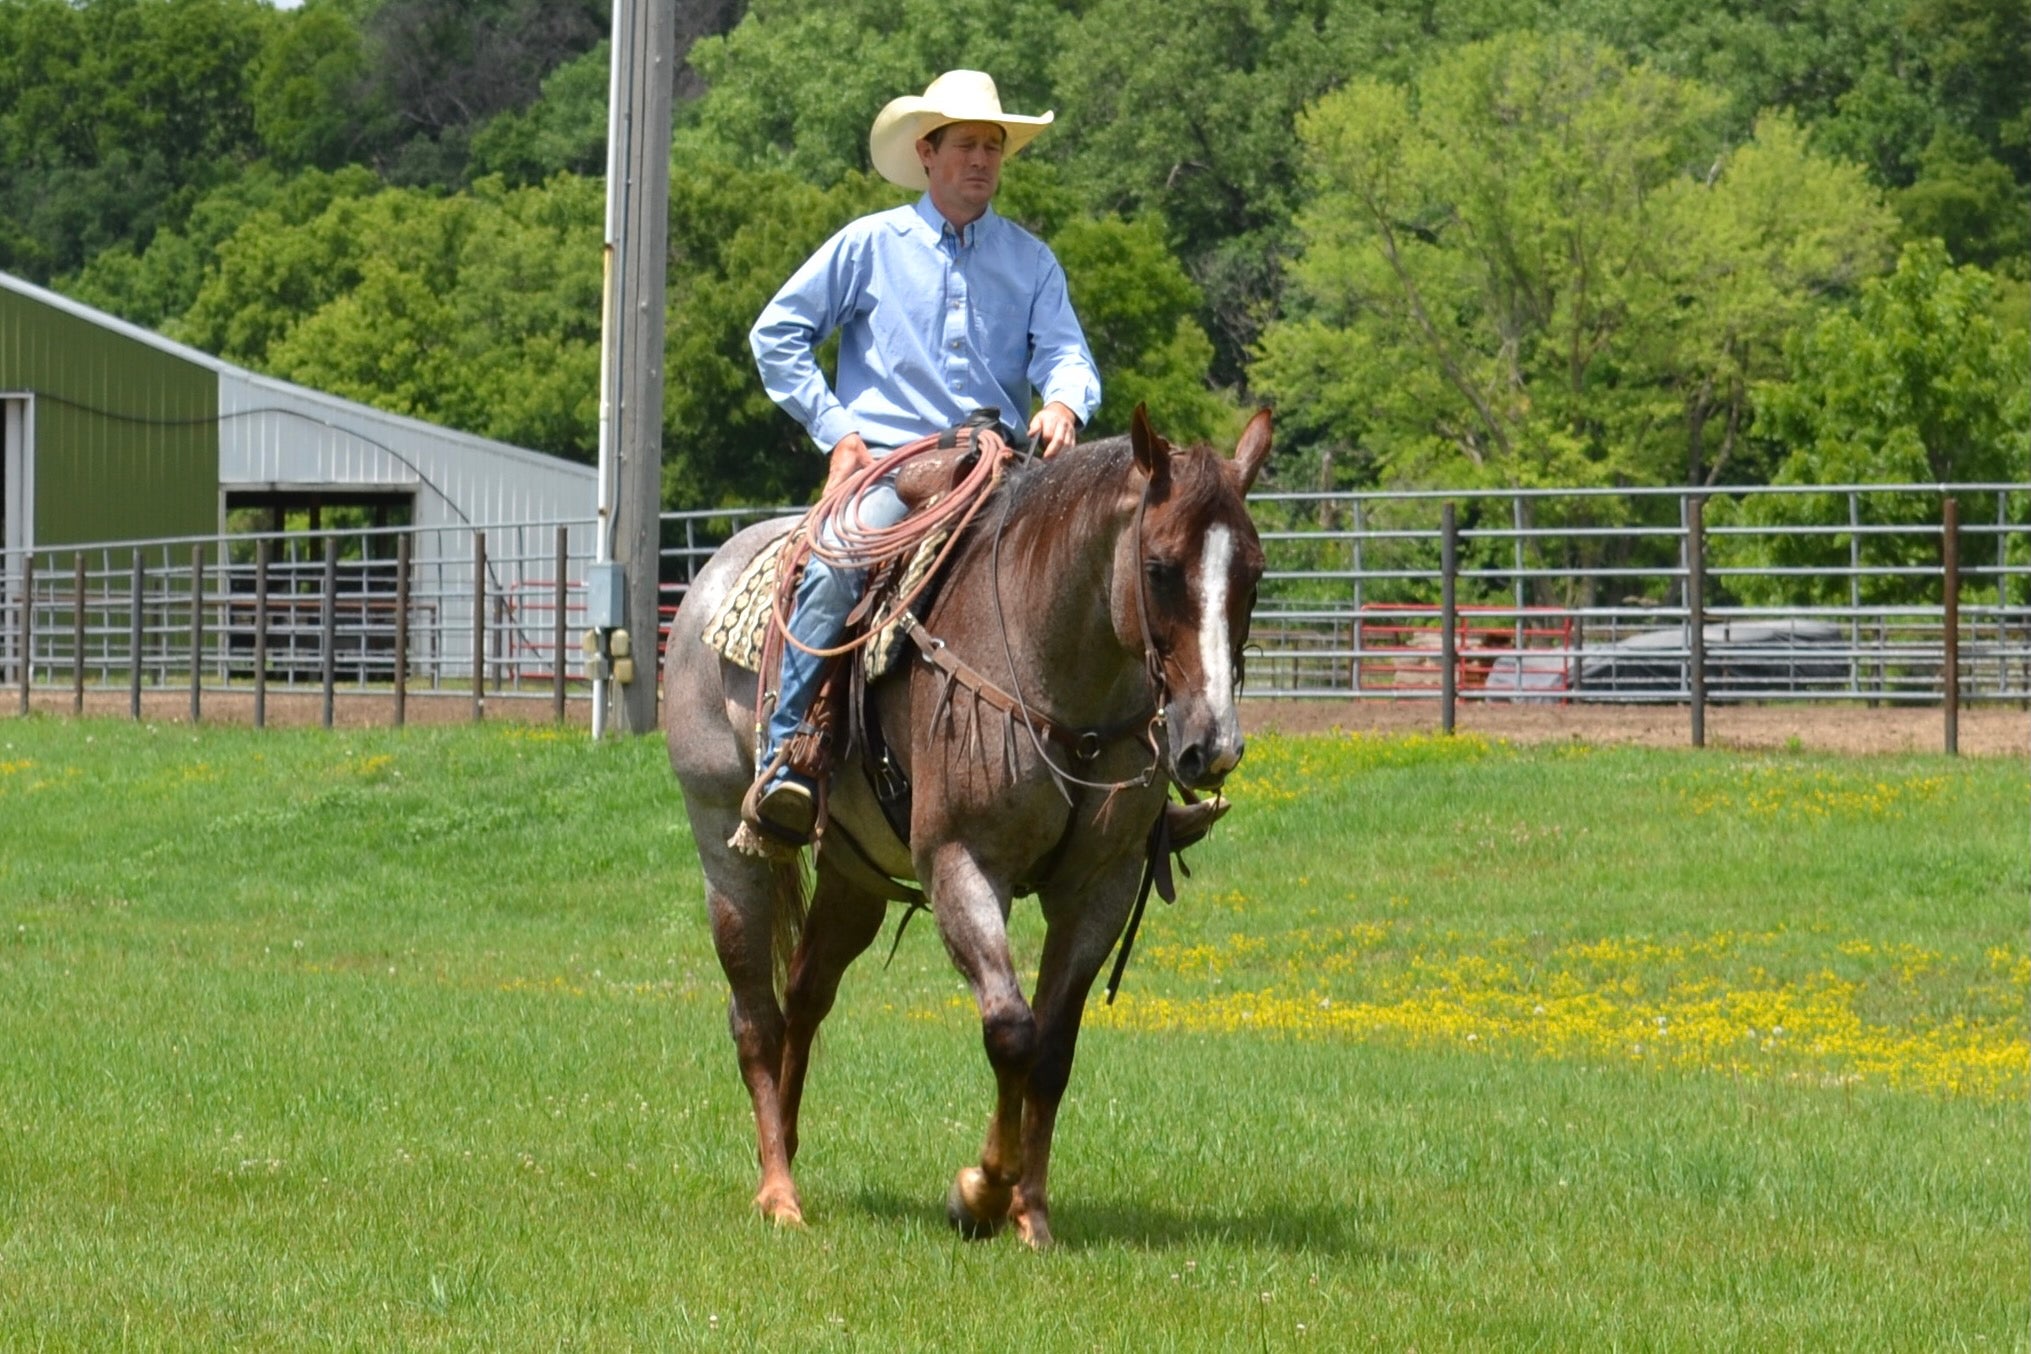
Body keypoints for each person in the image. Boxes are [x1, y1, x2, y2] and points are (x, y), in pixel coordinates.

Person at [745, 69, 1102, 843]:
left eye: (993, 147)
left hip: (1000, 465)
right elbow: (776, 335)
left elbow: (1067, 353)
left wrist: (1064, 403)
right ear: (927, 153)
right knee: (836, 560)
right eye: (966, 145)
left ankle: (1130, 788)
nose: (982, 160)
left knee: (1099, 567)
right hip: (893, 464)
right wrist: (837, 432)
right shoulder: (869, 245)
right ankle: (788, 757)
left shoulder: (1030, 260)